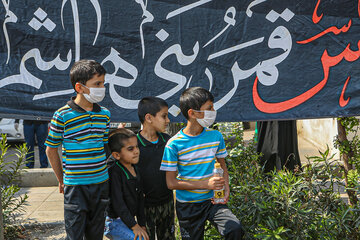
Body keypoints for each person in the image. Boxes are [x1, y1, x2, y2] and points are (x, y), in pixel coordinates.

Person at [160, 87, 244, 240]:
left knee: (234, 228)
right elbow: (171, 183)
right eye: (209, 108)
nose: (213, 111)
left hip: (213, 201)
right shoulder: (173, 145)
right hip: (188, 205)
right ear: (192, 113)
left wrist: (226, 187)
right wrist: (205, 184)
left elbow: (222, 165)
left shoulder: (215, 136)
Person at [45, 59, 110, 240]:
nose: (102, 87)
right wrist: (61, 180)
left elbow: (104, 146)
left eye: (103, 83)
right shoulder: (62, 115)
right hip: (75, 187)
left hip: (101, 184)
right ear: (79, 87)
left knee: (96, 234)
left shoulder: (105, 114)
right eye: (97, 84)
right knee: (74, 234)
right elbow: (51, 150)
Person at [136, 97, 175, 240]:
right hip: (144, 208)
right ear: (148, 118)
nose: (168, 120)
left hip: (167, 203)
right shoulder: (134, 145)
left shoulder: (168, 141)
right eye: (164, 116)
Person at [105, 128, 149, 240]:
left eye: (137, 147)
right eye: (130, 149)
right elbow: (118, 204)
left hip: (128, 220)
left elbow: (140, 200)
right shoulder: (114, 172)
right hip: (113, 222)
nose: (136, 151)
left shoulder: (136, 170)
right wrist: (134, 226)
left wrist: (142, 225)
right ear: (116, 155)